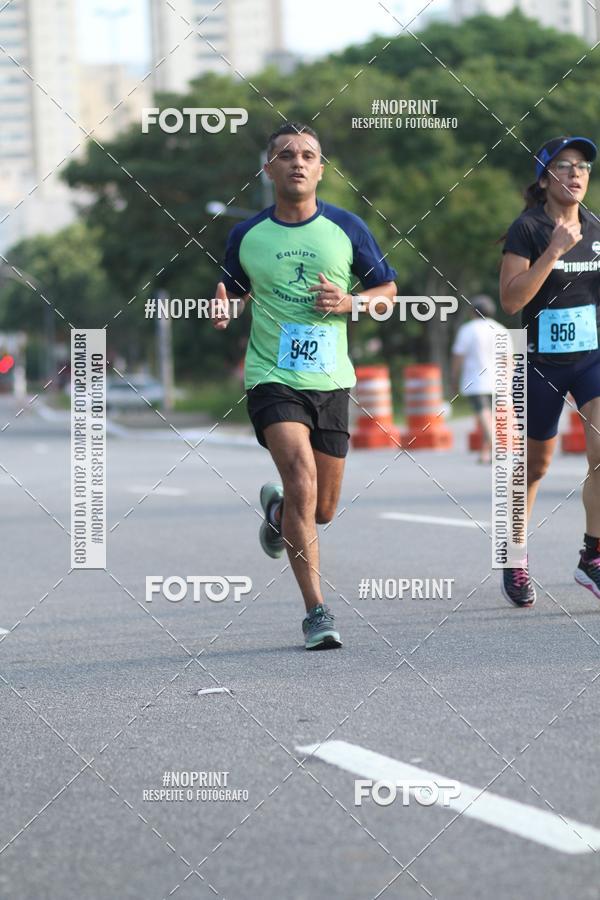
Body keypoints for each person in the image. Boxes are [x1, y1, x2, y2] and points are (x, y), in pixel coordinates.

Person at [211, 122, 397, 648]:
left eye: (308, 154)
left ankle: (276, 513)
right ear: (267, 169)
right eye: (286, 154)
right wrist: (226, 307)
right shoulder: (246, 234)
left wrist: (352, 302)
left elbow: (387, 289)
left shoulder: (347, 228)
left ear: (321, 169)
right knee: (300, 477)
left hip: (332, 379)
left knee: (320, 510)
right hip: (272, 375)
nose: (297, 161)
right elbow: (234, 290)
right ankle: (316, 611)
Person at [499, 134, 600, 607]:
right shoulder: (529, 229)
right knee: (534, 467)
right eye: (565, 166)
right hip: (539, 361)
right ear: (544, 179)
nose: (576, 173)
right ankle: (515, 555)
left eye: (582, 166)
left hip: (591, 358)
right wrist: (555, 250)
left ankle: (592, 555)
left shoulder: (597, 228)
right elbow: (512, 299)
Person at [451, 294, 509, 464]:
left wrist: (454, 377)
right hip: (499, 379)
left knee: (483, 412)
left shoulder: (468, 329)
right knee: (490, 415)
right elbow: (509, 358)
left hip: (476, 379)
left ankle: (494, 445)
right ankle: (485, 453)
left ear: (473, 312)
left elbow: (458, 356)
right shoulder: (501, 329)